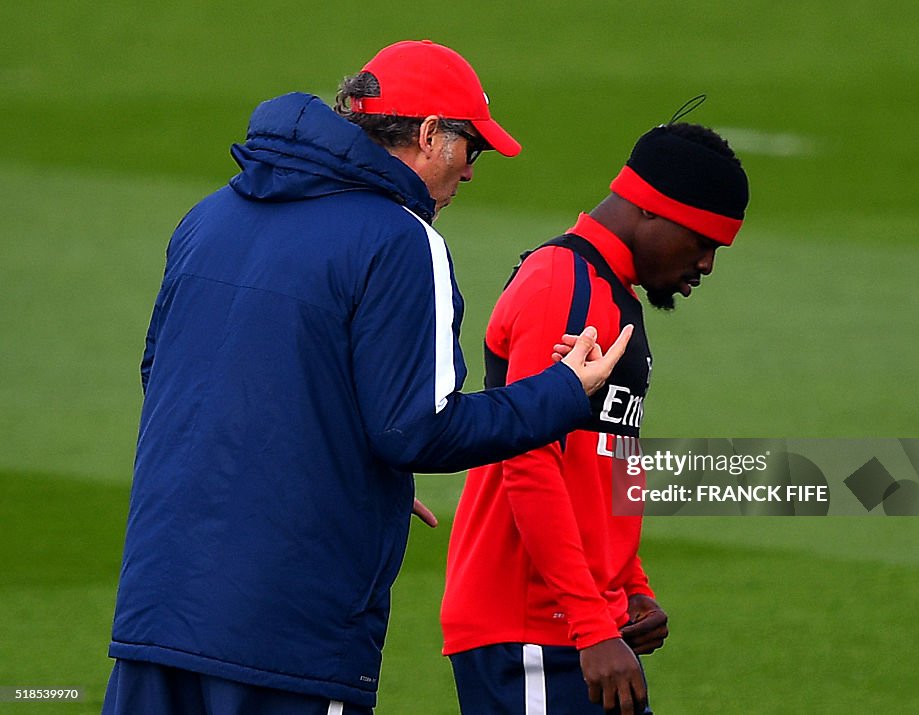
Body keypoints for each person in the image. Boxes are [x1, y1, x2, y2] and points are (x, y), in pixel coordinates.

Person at [102, 40, 631, 715]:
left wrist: (338, 467)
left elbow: (173, 377)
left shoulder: (208, 217)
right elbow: (417, 432)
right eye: (474, 148)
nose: (471, 173)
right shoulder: (402, 238)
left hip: (157, 611)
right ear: (432, 134)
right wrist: (560, 391)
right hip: (286, 636)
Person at [441, 120, 750, 714]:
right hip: (534, 625)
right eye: (703, 242)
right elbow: (527, 459)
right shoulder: (566, 286)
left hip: (580, 621)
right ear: (654, 212)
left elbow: (605, 459)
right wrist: (591, 625)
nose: (706, 265)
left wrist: (631, 587)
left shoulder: (609, 293)